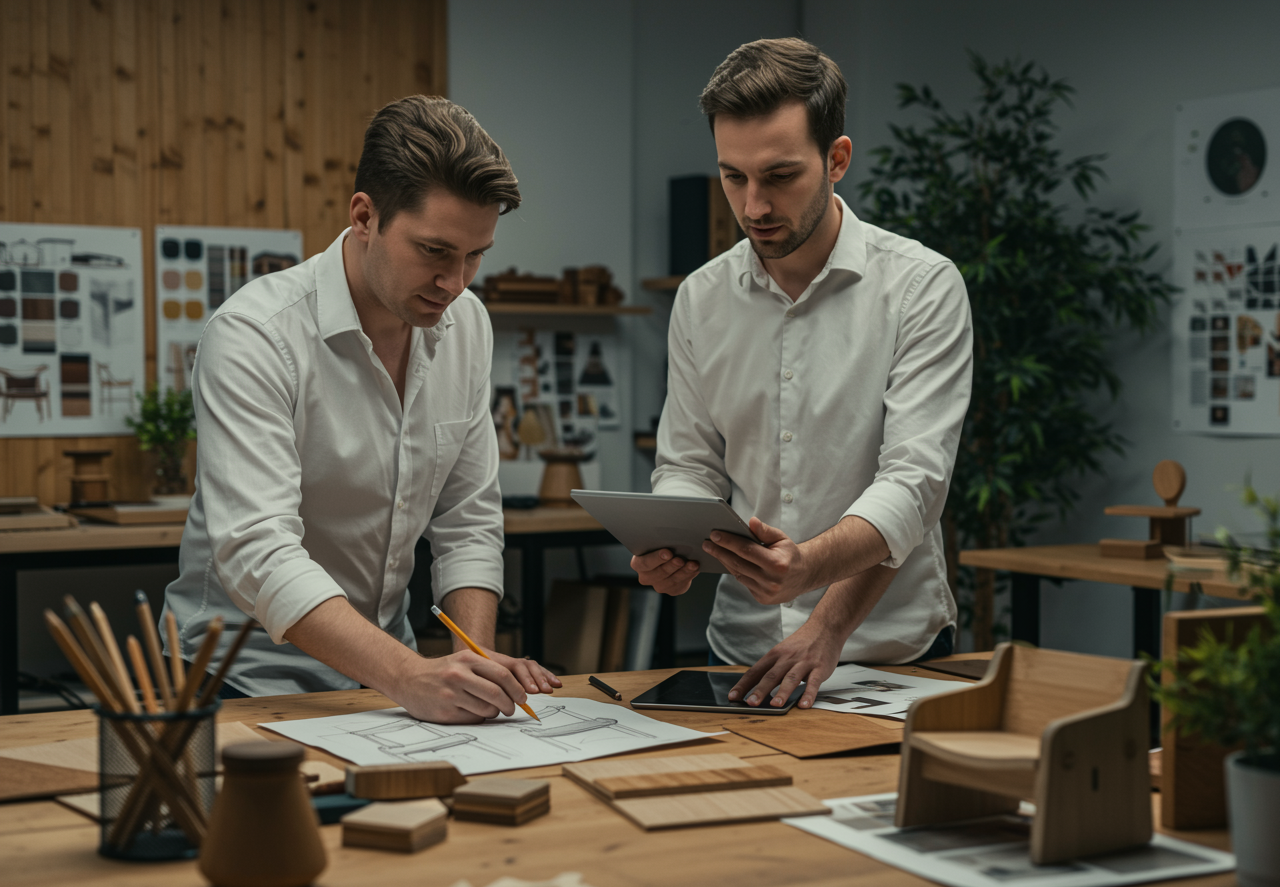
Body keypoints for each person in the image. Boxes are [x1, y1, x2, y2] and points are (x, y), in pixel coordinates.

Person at [163, 96, 560, 723]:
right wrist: (408, 675)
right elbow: (256, 549)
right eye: (434, 251)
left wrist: (473, 657)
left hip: (384, 682)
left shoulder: (467, 324)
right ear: (364, 216)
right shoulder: (254, 334)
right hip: (238, 680)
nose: (455, 283)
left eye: (474, 255)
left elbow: (467, 518)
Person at [631, 38, 973, 712]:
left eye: (780, 176)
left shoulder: (921, 288)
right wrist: (670, 543)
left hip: (888, 661)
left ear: (836, 159)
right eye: (734, 176)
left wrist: (821, 607)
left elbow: (912, 485)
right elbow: (689, 462)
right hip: (740, 654)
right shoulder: (702, 298)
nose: (754, 205)